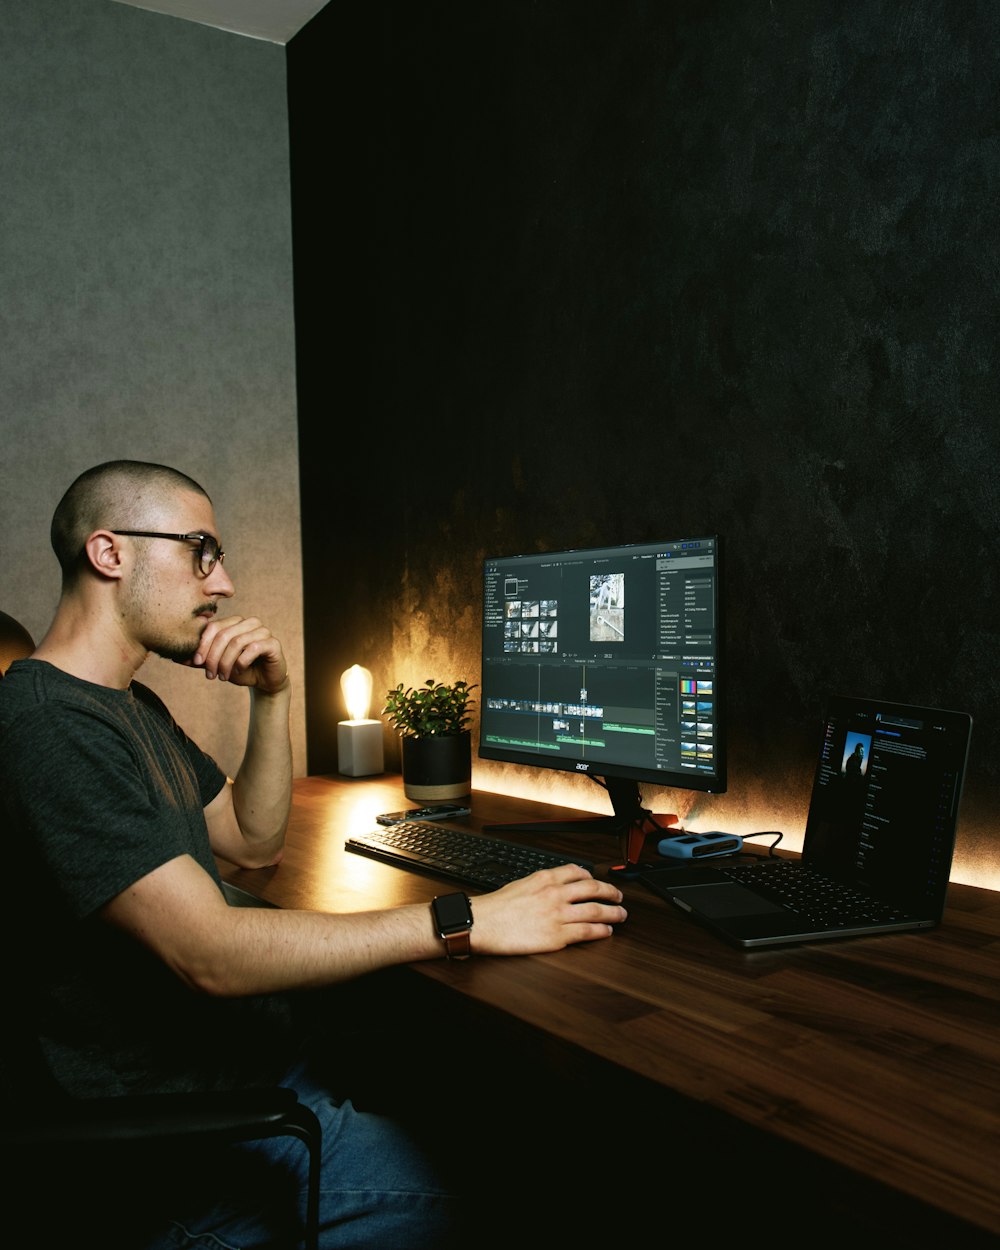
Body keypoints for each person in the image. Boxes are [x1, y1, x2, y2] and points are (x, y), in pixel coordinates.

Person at [0, 460, 627, 1249]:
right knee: (524, 1204)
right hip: (181, 1151)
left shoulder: (125, 706)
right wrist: (466, 919)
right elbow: (210, 955)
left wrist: (273, 696)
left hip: (248, 1070)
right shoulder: (48, 726)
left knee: (515, 1112)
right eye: (200, 550)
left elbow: (251, 841)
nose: (221, 581)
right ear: (109, 553)